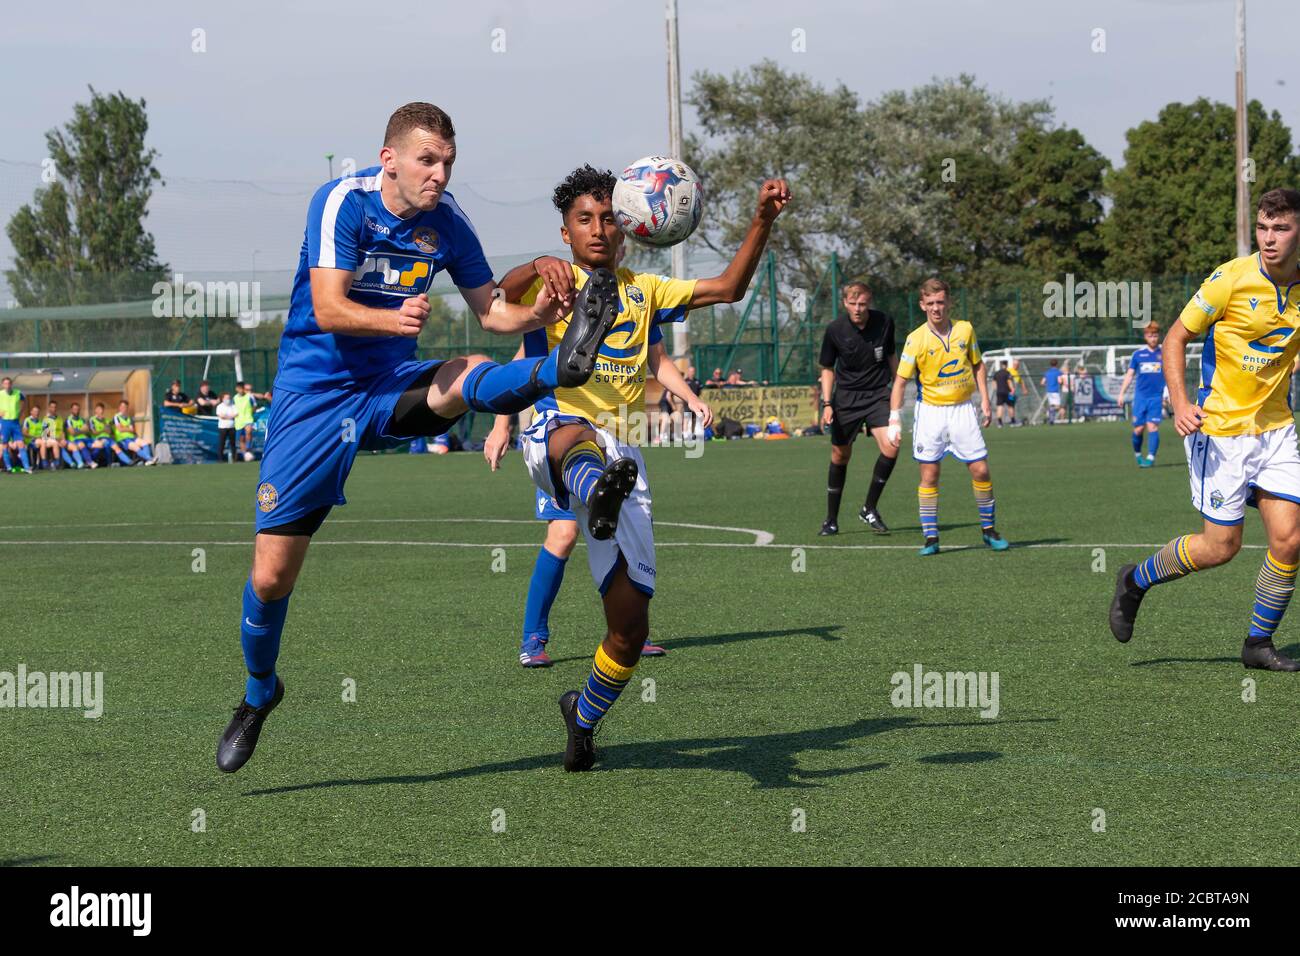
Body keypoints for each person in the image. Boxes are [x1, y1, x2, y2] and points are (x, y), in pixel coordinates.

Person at [214, 102, 614, 774]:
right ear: (389, 159)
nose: (439, 174)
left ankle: (556, 366)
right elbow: (330, 305)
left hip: (390, 386)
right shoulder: (341, 201)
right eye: (427, 160)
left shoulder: (448, 221)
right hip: (313, 400)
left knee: (467, 373)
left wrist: (540, 312)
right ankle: (259, 694)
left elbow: (492, 312)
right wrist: (393, 317)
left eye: (448, 162)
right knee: (271, 574)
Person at [494, 163, 787, 771]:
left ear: (628, 226)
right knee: (577, 443)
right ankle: (590, 490)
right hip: (556, 429)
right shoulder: (557, 282)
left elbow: (728, 288)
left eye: (607, 218)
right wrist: (536, 267)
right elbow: (502, 291)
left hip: (625, 454)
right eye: (584, 220)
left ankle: (583, 716)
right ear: (566, 231)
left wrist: (760, 221)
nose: (597, 229)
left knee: (628, 631)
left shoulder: (645, 290)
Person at [1109, 187, 1300, 672]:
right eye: (1263, 227)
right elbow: (1176, 337)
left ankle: (1257, 643)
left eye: (1281, 228)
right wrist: (1179, 401)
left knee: (1290, 539)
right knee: (1221, 547)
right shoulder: (1229, 280)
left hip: (1276, 429)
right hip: (1221, 432)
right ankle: (1136, 580)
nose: (1269, 238)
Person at [485, 355, 669, 670]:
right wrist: (501, 425)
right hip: (561, 439)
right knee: (563, 534)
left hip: (608, 440)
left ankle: (630, 630)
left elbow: (656, 356)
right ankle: (533, 638)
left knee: (621, 535)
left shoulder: (624, 312)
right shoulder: (551, 314)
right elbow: (512, 374)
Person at [888, 277, 1009, 556]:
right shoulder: (915, 339)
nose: (936, 308)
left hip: (963, 410)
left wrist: (986, 401)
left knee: (980, 469)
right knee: (930, 474)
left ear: (949, 302)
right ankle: (931, 537)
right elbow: (900, 381)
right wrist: (894, 418)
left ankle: (989, 531)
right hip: (930, 413)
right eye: (930, 303)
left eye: (940, 302)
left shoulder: (965, 330)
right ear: (922, 305)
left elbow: (978, 365)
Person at [817, 280, 898, 536]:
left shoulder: (885, 322)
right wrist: (827, 403)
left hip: (878, 395)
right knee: (840, 456)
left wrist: (899, 386)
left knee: (892, 445)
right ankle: (831, 519)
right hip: (847, 399)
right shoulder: (835, 330)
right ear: (844, 303)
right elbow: (827, 369)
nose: (858, 308)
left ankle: (869, 508)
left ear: (869, 302)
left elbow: (891, 357)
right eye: (852, 303)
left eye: (862, 303)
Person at [1116, 323, 1164, 468]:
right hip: (1141, 397)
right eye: (1150, 336)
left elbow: (1170, 373)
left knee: (1153, 427)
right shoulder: (1138, 354)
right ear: (1145, 337)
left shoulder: (1164, 353)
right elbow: (1130, 375)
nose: (1153, 338)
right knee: (1138, 429)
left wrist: (1169, 393)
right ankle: (1138, 454)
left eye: (1155, 335)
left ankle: (1150, 457)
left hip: (1156, 397)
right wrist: (1121, 393)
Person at [1, 376, 32, 474]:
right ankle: (9, 467)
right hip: (4, 423)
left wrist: (21, 412)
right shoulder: (0, 394)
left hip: (15, 423)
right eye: (5, 384)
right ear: (2, 385)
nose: (7, 385)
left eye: (9, 383)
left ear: (11, 384)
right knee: (4, 445)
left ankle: (27, 467)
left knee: (21, 444)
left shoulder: (17, 393)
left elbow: (25, 401)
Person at [112, 400, 157, 465]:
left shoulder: (129, 418)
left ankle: (148, 461)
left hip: (132, 437)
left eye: (125, 407)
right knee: (136, 447)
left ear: (127, 408)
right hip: (123, 439)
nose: (123, 408)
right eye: (121, 406)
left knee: (145, 443)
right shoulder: (116, 417)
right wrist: (128, 428)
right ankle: (150, 459)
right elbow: (120, 429)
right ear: (119, 407)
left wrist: (125, 427)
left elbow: (132, 430)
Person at [64, 402, 96, 470]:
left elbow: (87, 430)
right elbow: (72, 433)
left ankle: (88, 460)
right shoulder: (68, 420)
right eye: (75, 409)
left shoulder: (82, 419)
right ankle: (90, 462)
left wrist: (77, 430)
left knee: (100, 444)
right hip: (75, 440)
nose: (76, 411)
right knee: (82, 444)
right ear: (71, 410)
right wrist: (82, 429)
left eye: (78, 409)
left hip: (85, 439)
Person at [42, 400, 72, 469]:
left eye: (55, 407)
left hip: (59, 438)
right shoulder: (46, 419)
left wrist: (63, 439)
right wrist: (57, 439)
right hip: (49, 439)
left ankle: (71, 463)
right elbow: (46, 433)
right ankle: (57, 462)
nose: (53, 409)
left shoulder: (60, 418)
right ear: (49, 408)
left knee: (64, 444)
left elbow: (62, 431)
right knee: (56, 443)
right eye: (52, 407)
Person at [991, 361, 1016, 428]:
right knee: (1010, 406)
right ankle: (1013, 422)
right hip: (1008, 392)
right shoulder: (1007, 373)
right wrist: (1012, 389)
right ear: (1006, 365)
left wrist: (996, 389)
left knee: (1000, 406)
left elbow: (993, 383)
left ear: (1001, 365)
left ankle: (1000, 423)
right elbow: (1009, 381)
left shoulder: (996, 373)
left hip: (999, 392)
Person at [216, 391, 238, 462]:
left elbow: (236, 414)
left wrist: (227, 416)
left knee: (233, 444)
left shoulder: (233, 405)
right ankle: (220, 459)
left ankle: (234, 459)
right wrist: (230, 416)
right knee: (222, 443)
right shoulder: (219, 406)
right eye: (226, 398)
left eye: (229, 398)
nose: (228, 399)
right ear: (222, 399)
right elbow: (221, 416)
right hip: (223, 428)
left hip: (232, 427)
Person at [21, 405, 44, 470]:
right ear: (31, 412)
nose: (37, 413)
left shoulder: (41, 421)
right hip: (29, 440)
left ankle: (42, 463)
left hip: (39, 439)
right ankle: (40, 464)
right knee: (39, 444)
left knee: (43, 442)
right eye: (35, 411)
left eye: (38, 411)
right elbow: (24, 432)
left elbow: (46, 433)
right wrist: (35, 436)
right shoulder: (27, 420)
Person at [1041, 359, 1062, 424]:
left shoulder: (1047, 372)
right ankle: (1048, 412)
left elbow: (1042, 382)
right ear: (1057, 364)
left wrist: (1047, 385)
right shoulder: (1058, 372)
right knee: (1058, 407)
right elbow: (1060, 381)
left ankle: (1051, 420)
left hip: (1049, 391)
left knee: (1052, 406)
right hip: (1055, 391)